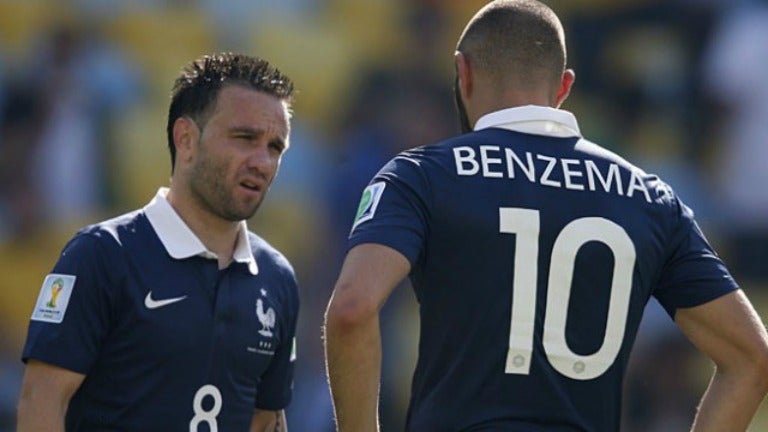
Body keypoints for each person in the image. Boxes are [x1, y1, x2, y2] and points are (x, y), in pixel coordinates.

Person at [323, 1, 768, 431]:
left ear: (463, 72)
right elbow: (750, 357)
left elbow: (352, 309)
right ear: (563, 87)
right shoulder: (650, 198)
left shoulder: (421, 174)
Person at [17, 52, 299, 431]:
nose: (262, 161)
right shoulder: (101, 255)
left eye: (275, 147)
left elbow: (265, 421)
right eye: (245, 137)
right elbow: (42, 400)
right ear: (185, 139)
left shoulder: (277, 279)